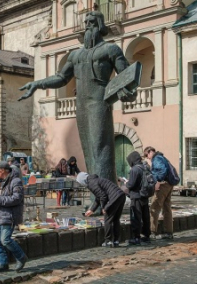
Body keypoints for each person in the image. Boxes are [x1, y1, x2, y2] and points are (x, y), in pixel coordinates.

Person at [18, 10, 137, 183]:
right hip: (80, 105)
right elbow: (61, 78)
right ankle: (96, 194)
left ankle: (108, 195)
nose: (88, 25)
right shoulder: (75, 55)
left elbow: (128, 76)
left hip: (99, 102)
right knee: (88, 150)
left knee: (100, 148)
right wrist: (37, 84)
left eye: (93, 22)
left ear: (101, 25)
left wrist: (129, 93)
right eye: (86, 22)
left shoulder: (110, 49)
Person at [0, 161, 28, 273]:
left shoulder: (16, 181)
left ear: (3, 170)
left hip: (8, 215)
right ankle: (3, 263)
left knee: (5, 240)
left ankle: (21, 257)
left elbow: (17, 198)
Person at [77, 172, 126, 247]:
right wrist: (92, 210)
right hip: (121, 195)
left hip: (114, 198)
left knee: (108, 219)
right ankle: (116, 240)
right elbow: (98, 197)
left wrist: (104, 208)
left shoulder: (91, 183)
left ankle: (108, 241)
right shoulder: (95, 180)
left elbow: (103, 196)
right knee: (116, 219)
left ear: (82, 181)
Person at [144, 146, 174, 240]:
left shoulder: (156, 158)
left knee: (154, 207)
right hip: (169, 184)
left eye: (146, 155)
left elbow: (162, 170)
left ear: (150, 152)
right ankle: (168, 232)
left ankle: (152, 232)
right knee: (167, 208)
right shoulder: (162, 157)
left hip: (163, 184)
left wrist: (157, 182)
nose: (148, 158)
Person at [125, 151, 151, 245]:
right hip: (145, 195)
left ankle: (136, 237)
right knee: (145, 216)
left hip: (136, 196)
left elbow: (131, 184)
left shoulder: (135, 169)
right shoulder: (145, 167)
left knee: (136, 216)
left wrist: (126, 183)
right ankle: (146, 236)